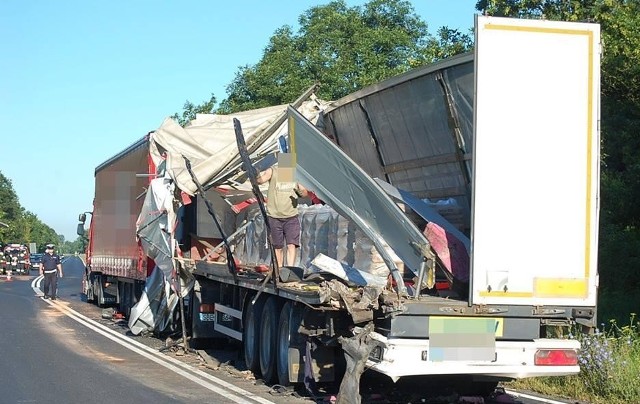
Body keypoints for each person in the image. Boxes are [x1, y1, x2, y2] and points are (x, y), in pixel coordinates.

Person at [256, 165, 308, 268]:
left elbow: (304, 192)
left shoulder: (295, 173)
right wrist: (256, 173)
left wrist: (299, 191)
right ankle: (279, 269)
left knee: (291, 245)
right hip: (274, 216)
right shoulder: (273, 171)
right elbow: (260, 180)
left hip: (291, 216)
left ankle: (290, 269)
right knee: (277, 246)